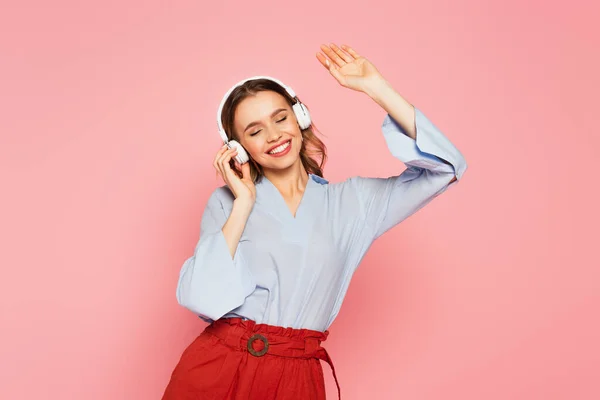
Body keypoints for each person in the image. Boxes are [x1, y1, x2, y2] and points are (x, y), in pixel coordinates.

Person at [162, 43, 467, 400]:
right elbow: (203, 299)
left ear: (300, 117)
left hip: (296, 374)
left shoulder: (353, 204)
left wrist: (376, 88)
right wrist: (243, 202)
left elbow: (446, 168)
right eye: (255, 131)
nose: (275, 135)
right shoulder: (227, 203)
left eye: (280, 118)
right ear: (238, 147)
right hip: (216, 368)